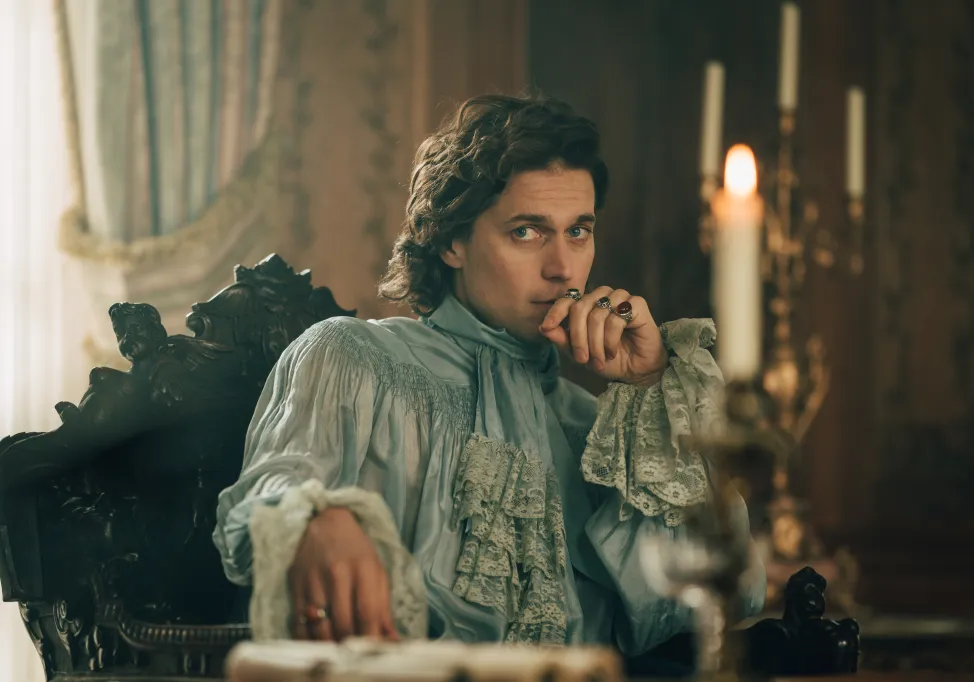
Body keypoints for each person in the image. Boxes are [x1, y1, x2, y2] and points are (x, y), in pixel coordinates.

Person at [213, 93, 766, 657]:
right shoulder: (353, 357)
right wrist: (314, 518)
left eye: (578, 231)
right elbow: (265, 498)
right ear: (451, 241)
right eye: (527, 232)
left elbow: (708, 601)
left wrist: (651, 388)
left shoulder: (595, 429)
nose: (562, 268)